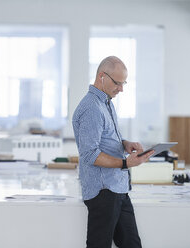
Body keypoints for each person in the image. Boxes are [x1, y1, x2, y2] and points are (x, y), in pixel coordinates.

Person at [72, 56, 154, 248]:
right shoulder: (92, 107)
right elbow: (90, 154)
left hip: (118, 188)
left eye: (123, 83)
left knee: (132, 244)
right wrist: (126, 163)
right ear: (102, 76)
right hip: (103, 192)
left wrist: (124, 144)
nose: (121, 89)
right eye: (118, 83)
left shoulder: (106, 102)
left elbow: (104, 138)